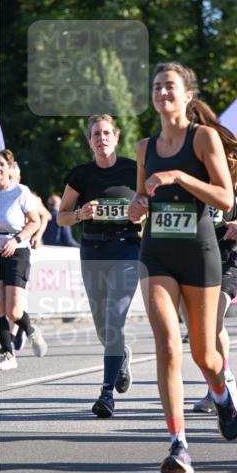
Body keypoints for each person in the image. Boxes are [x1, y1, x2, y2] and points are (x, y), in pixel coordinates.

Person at [127, 61, 237, 473]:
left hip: (199, 252)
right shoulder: (145, 147)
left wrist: (178, 176)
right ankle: (178, 443)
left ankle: (221, 392)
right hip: (156, 252)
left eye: (169, 86)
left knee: (204, 353)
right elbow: (141, 200)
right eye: (156, 86)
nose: (162, 92)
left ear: (188, 95)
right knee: (168, 345)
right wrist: (138, 206)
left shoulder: (203, 137)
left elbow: (226, 198)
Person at [57, 115, 141, 417]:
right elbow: (61, 216)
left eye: (106, 133)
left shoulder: (133, 170)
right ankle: (121, 357)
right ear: (89, 141)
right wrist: (80, 214)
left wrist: (141, 213)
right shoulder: (81, 175)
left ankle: (106, 393)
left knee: (115, 318)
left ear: (116, 137)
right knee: (103, 327)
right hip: (93, 251)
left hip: (127, 249)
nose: (101, 138)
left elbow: (151, 206)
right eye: (96, 134)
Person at [194, 158, 237, 413]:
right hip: (198, 258)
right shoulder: (190, 170)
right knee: (201, 329)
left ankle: (227, 379)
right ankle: (214, 386)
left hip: (227, 257)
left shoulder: (231, 169)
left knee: (214, 319)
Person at [0, 148, 47, 370]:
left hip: (17, 251)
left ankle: (31, 330)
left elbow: (35, 221)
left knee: (14, 311)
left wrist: (16, 240)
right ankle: (8, 354)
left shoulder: (20, 191)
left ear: (9, 168)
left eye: (1, 164)